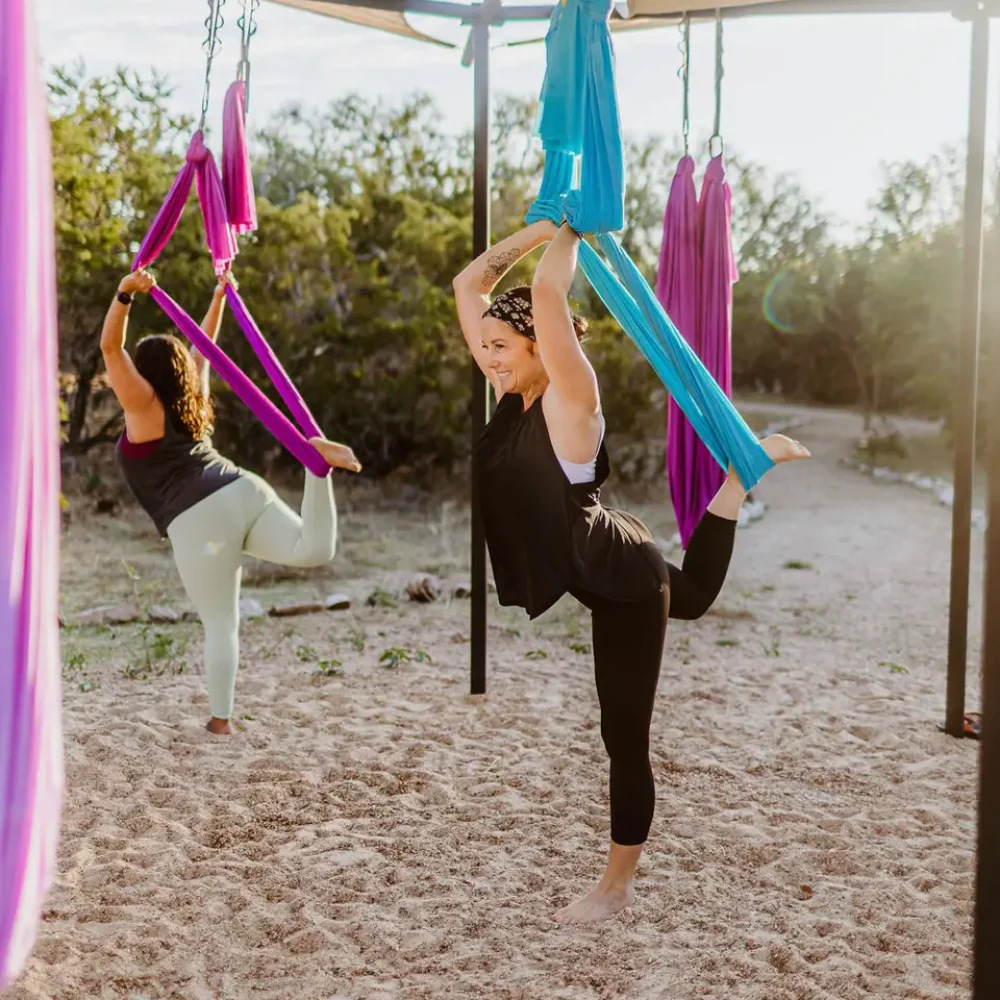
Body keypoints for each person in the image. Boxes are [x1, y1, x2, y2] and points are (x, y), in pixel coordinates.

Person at [453, 220, 809, 925]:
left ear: (539, 348)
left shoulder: (570, 402)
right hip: (605, 554)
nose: (487, 357)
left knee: (624, 734)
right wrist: (541, 225)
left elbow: (551, 291)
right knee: (697, 596)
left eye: (500, 347)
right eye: (486, 346)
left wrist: (573, 225)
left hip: (623, 579)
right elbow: (470, 285)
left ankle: (615, 887)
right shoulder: (512, 393)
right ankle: (740, 479)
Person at [101, 268, 361, 735]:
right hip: (242, 488)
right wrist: (219, 298)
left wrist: (124, 293)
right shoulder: (191, 395)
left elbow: (109, 349)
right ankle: (315, 469)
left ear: (144, 374)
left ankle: (221, 723)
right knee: (313, 550)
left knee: (221, 622)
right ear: (179, 370)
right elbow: (203, 345)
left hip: (202, 524)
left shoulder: (143, 405)